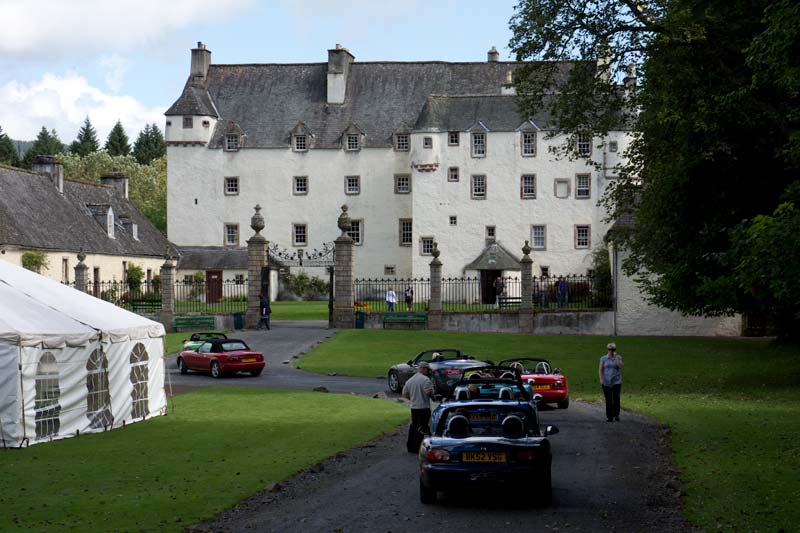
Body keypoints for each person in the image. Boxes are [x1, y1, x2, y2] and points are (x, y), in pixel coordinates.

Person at [402, 361, 435, 453]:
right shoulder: (426, 380)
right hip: (424, 407)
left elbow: (405, 394)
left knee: (413, 426)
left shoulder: (410, 380)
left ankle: (410, 446)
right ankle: (416, 447)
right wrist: (433, 396)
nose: (428, 371)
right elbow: (428, 392)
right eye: (427, 369)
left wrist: (412, 399)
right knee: (422, 428)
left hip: (414, 407)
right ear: (423, 369)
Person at [598, 342, 624, 422]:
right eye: (610, 349)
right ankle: (609, 416)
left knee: (616, 398)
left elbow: (620, 366)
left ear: (615, 350)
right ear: (607, 350)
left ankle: (616, 414)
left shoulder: (618, 357)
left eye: (613, 349)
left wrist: (615, 358)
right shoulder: (603, 358)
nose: (611, 351)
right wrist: (601, 379)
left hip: (616, 381)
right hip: (606, 381)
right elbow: (600, 369)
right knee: (608, 399)